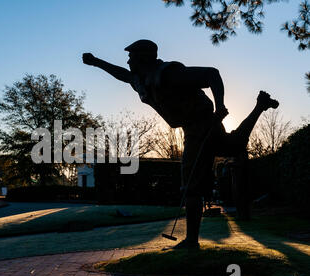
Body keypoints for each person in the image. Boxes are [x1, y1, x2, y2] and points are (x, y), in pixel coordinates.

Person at [83, 39, 279, 249]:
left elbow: (211, 74)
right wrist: (97, 62)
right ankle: (260, 106)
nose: (128, 60)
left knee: (191, 185)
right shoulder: (141, 80)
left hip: (201, 125)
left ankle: (191, 242)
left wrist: (220, 106)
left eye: (131, 56)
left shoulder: (169, 73)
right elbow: (123, 75)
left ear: (143, 58)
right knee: (232, 146)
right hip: (193, 126)